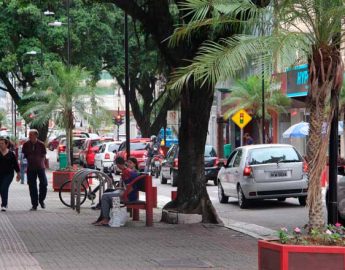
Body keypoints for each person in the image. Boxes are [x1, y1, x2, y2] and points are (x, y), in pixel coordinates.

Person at [93, 156, 140, 226]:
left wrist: (124, 195)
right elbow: (127, 186)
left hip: (129, 195)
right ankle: (103, 218)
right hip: (127, 193)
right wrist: (120, 189)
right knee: (107, 194)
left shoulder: (128, 172)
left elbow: (131, 187)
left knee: (105, 196)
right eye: (128, 162)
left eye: (130, 163)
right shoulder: (127, 171)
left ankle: (105, 219)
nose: (129, 164)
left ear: (118, 165)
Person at [22, 129, 48, 211]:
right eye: (29, 135)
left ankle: (41, 200)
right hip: (30, 168)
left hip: (40, 167)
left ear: (36, 135)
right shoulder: (26, 144)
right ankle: (34, 204)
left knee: (44, 184)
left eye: (31, 135)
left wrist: (41, 161)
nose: (29, 136)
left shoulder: (41, 144)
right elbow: (24, 155)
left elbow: (44, 154)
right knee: (32, 186)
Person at [0, 137, 20, 211]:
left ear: (6, 144)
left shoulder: (11, 154)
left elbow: (15, 164)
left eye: (2, 143)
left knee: (4, 188)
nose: (0, 145)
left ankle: (4, 205)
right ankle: (4, 203)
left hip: (8, 174)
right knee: (1, 189)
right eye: (0, 144)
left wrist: (18, 174)